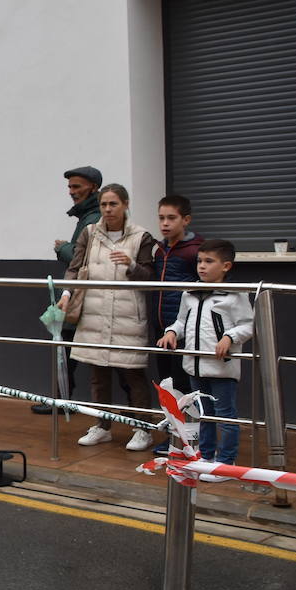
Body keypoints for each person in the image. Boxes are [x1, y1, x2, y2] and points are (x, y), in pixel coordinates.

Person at [57, 183, 156, 451]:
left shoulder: (142, 236)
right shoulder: (89, 233)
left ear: (125, 205)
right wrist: (66, 293)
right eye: (103, 204)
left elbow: (150, 277)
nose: (108, 209)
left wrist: (131, 265)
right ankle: (102, 426)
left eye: (113, 204)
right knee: (98, 373)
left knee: (133, 374)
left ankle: (143, 428)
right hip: (94, 312)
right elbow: (75, 267)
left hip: (127, 314)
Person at [157, 239, 254, 465]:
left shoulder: (234, 295)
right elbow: (181, 321)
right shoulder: (189, 293)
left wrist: (230, 337)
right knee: (203, 415)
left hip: (222, 368)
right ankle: (206, 456)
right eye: (200, 261)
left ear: (226, 266)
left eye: (209, 261)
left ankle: (226, 462)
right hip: (194, 366)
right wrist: (171, 332)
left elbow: (248, 325)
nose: (202, 266)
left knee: (225, 416)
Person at [34, 165, 105, 415]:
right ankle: (60, 399)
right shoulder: (88, 215)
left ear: (93, 187)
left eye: (77, 187)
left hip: (84, 296)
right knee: (65, 347)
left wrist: (63, 248)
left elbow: (82, 257)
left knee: (66, 348)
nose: (71, 192)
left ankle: (61, 400)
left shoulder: (94, 217)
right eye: (69, 187)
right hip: (77, 295)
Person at [149, 195, 203, 455]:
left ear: (186, 220)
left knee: (185, 388)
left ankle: (187, 442)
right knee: (167, 386)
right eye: (161, 218)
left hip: (185, 331)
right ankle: (174, 438)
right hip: (161, 329)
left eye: (171, 218)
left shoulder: (195, 250)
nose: (165, 223)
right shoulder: (159, 250)